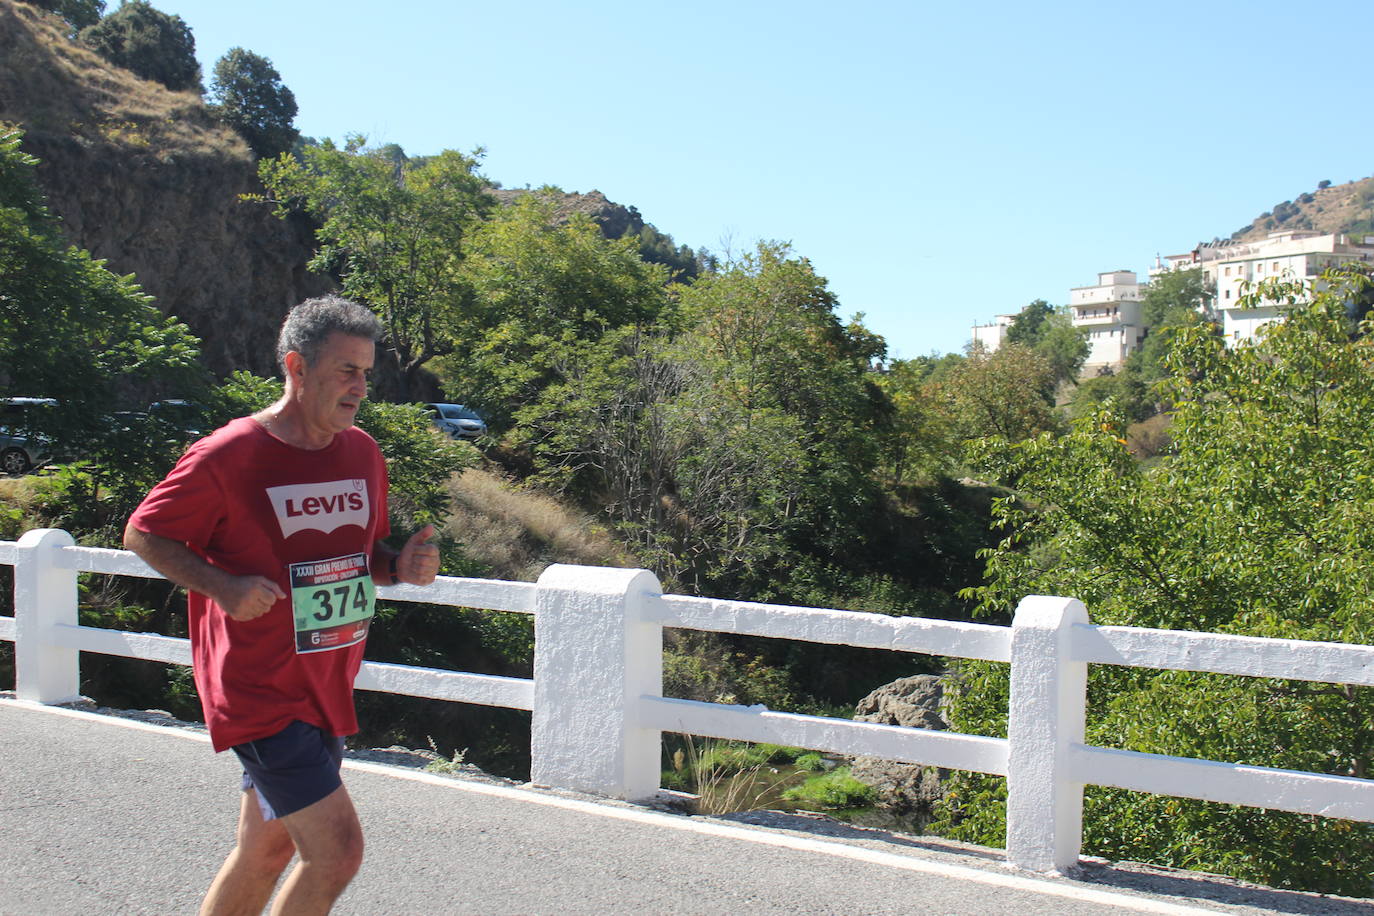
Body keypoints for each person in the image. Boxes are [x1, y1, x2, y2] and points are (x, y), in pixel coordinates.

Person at [123, 295, 440, 916]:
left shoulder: (361, 453)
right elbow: (143, 532)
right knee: (338, 852)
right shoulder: (229, 454)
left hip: (324, 685)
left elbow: (363, 555)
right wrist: (222, 587)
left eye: (367, 373)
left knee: (264, 852)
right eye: (347, 371)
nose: (361, 388)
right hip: (260, 691)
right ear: (296, 367)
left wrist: (397, 567)